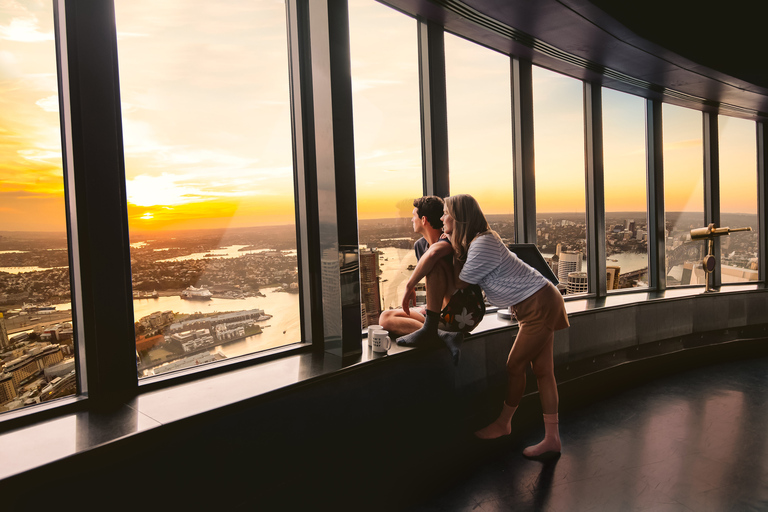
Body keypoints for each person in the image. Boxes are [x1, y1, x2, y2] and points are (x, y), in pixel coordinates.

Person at [441, 194, 569, 459]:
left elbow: (459, 283)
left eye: (446, 213)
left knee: (514, 365)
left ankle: (504, 423)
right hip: (537, 302)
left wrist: (447, 246)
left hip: (539, 304)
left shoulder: (482, 243)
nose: (442, 218)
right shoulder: (481, 240)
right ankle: (552, 439)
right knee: (544, 371)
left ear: (460, 218)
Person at [380, 196, 485, 359]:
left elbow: (434, 253)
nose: (411, 220)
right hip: (441, 314)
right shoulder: (420, 246)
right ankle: (443, 335)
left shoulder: (449, 239)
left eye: (413, 215)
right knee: (385, 318)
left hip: (464, 311)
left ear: (424, 219)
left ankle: (432, 330)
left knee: (433, 263)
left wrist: (410, 286)